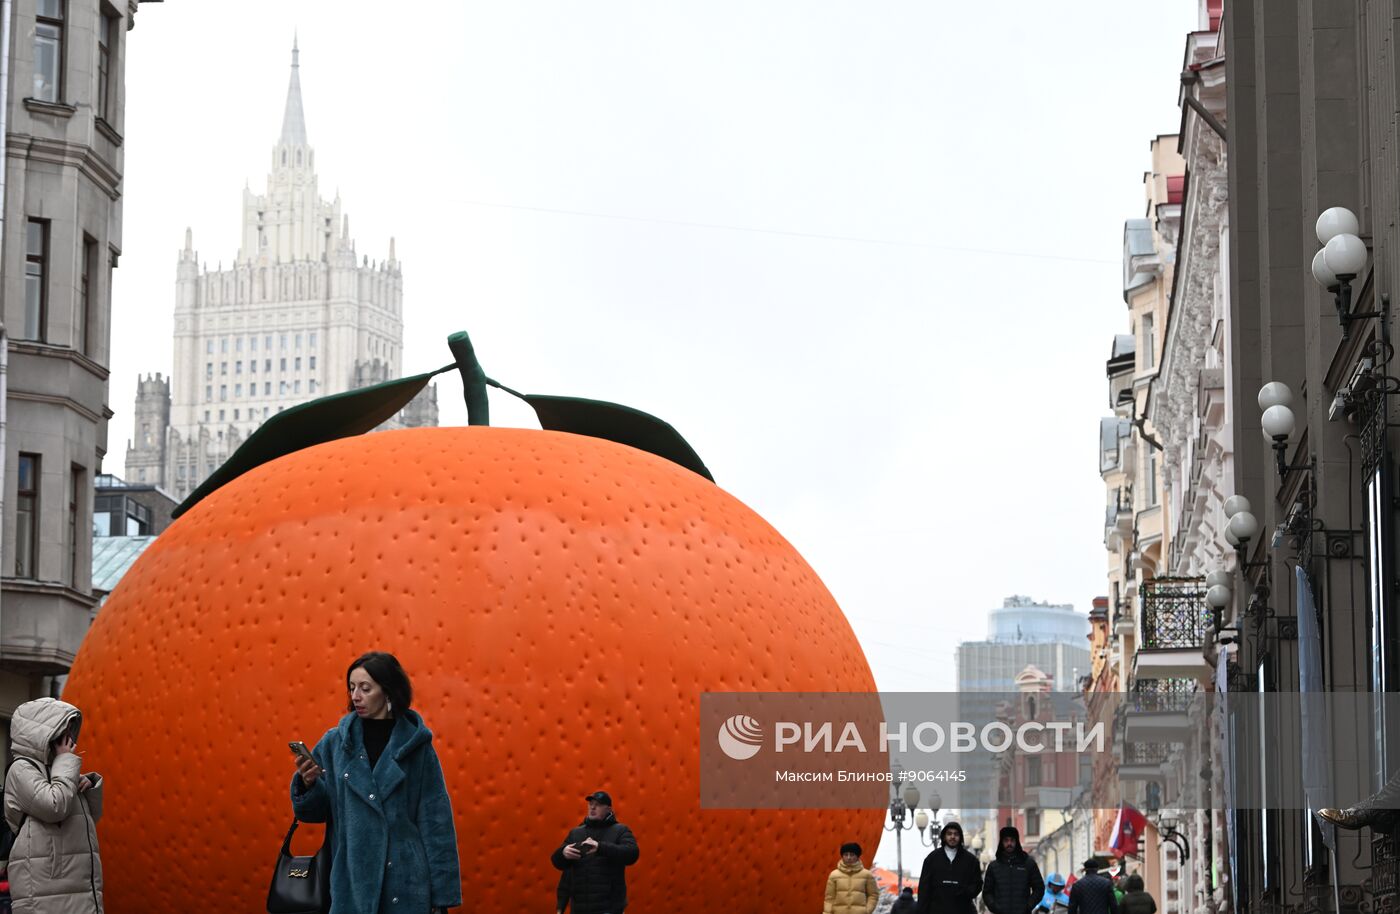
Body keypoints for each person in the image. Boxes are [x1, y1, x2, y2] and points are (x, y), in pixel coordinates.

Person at [291, 651, 461, 914]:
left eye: (365, 688)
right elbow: (312, 814)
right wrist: (309, 783)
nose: (355, 696)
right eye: (352, 688)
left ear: (388, 692)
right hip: (352, 884)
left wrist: (441, 897)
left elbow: (436, 823)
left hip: (406, 884)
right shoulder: (336, 743)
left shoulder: (416, 747)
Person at [3, 698, 104, 914]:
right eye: (63, 729)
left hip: (76, 882)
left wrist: (89, 786)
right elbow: (54, 807)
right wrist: (66, 764)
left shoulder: (59, 771)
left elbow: (89, 822)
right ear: (44, 733)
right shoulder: (21, 769)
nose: (69, 736)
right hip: (45, 886)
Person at [551, 790, 640, 914]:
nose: (592, 807)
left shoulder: (620, 830)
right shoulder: (576, 833)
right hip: (579, 909)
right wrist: (563, 853)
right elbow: (560, 866)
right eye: (590, 804)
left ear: (608, 809)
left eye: (598, 804)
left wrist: (600, 847)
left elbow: (632, 854)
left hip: (609, 908)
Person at [914, 821, 983, 914]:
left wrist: (965, 893)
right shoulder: (932, 859)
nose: (952, 837)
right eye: (949, 834)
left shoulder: (971, 860)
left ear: (960, 837)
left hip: (963, 910)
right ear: (944, 836)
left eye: (956, 834)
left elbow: (977, 884)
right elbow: (924, 889)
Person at [983, 826, 1044, 914]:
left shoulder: (1028, 864)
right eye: (1006, 840)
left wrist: (1028, 906)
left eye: (1012, 840)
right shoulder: (993, 866)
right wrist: (995, 907)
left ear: (1016, 842)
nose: (1009, 843)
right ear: (1001, 842)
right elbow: (987, 892)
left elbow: (1039, 888)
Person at [822, 842, 879, 914]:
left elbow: (873, 895)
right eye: (846, 855)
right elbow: (829, 898)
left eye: (852, 855)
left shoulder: (866, 875)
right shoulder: (834, 875)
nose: (848, 857)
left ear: (857, 856)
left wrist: (867, 911)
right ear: (842, 856)